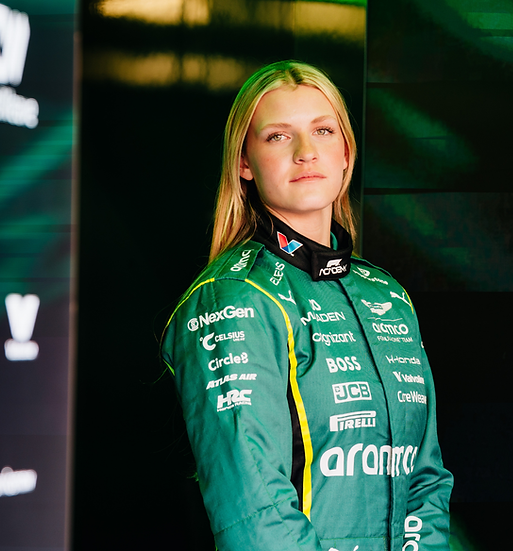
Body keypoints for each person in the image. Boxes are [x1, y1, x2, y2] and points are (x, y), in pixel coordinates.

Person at [160, 60, 453, 551]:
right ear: (244, 164)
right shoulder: (234, 297)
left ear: (346, 154)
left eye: (322, 130)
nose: (306, 152)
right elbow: (254, 514)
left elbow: (425, 480)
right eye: (278, 136)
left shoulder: (388, 295)